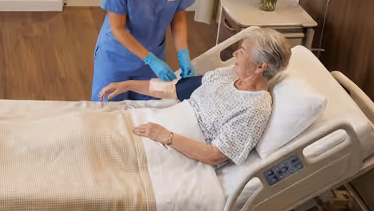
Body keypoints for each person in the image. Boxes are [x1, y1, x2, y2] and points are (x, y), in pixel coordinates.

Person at [99, 28, 291, 167]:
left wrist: (165, 136)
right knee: (101, 135)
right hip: (159, 126)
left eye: (241, 52)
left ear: (260, 67)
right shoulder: (229, 75)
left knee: (107, 153)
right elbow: (176, 90)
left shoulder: (255, 108)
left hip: (176, 148)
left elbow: (215, 156)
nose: (234, 54)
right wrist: (128, 84)